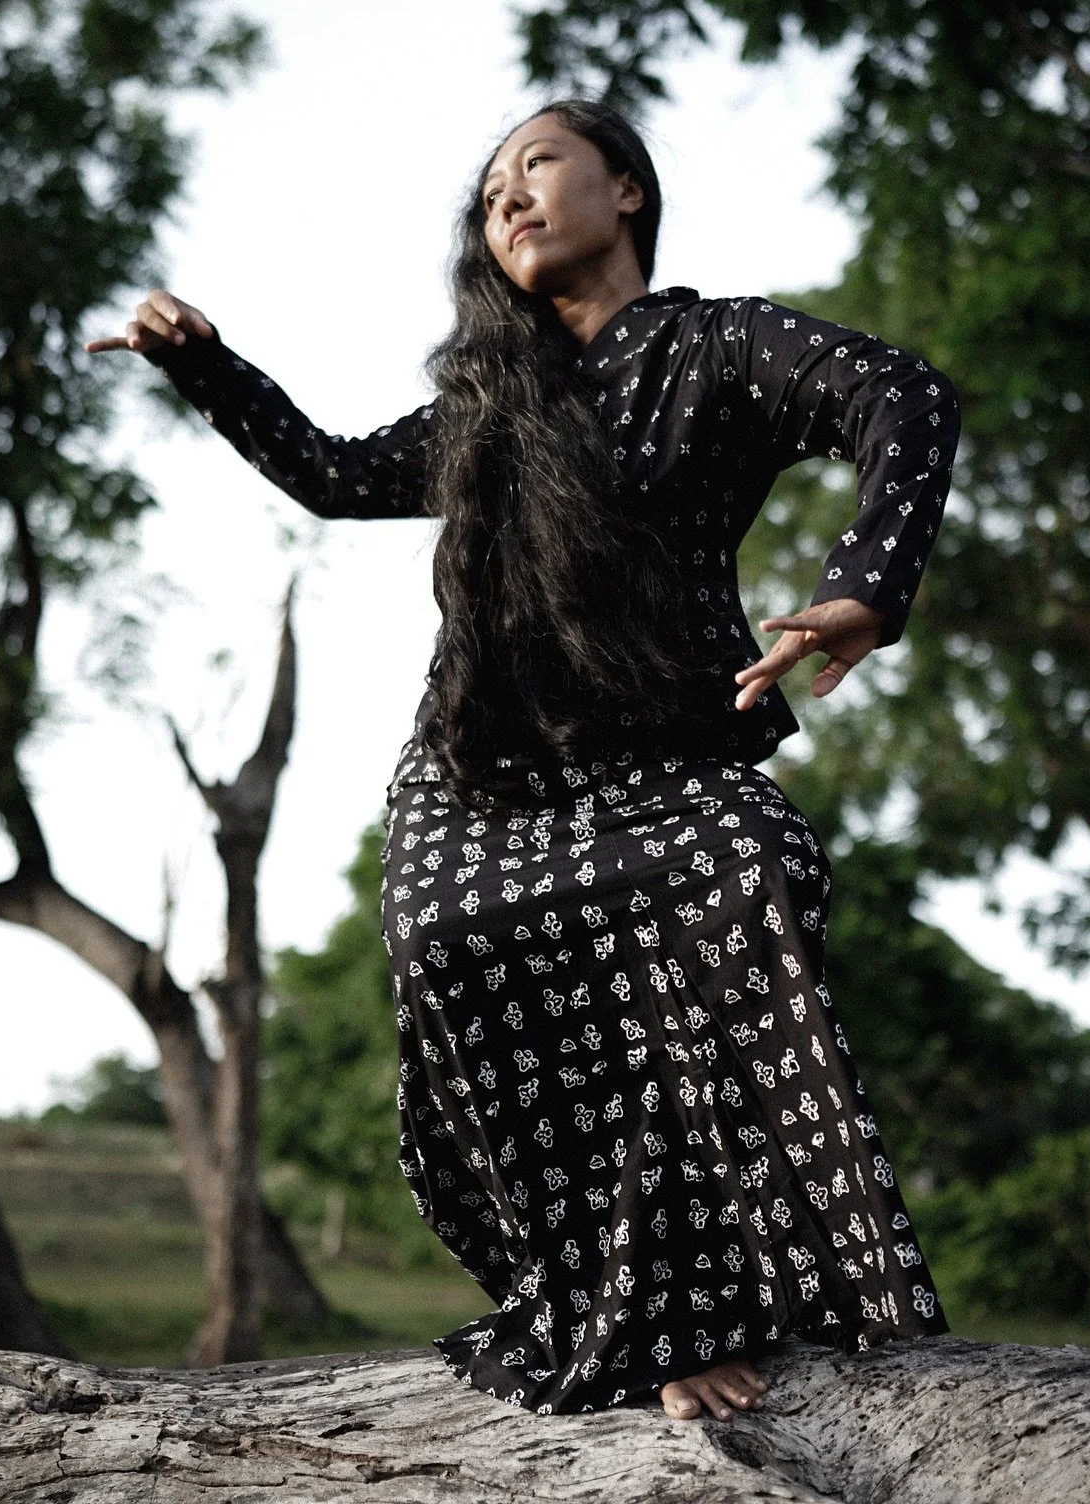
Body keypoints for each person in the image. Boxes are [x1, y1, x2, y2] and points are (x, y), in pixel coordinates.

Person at [88, 98, 960, 1422]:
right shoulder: (488, 407)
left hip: (665, 750)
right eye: (490, 187)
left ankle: (737, 1306)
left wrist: (866, 589)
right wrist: (207, 364)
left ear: (625, 189)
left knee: (753, 866)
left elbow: (902, 392)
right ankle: (618, 1320)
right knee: (448, 941)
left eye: (537, 164)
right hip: (478, 772)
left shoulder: (716, 346)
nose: (507, 197)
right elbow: (327, 472)